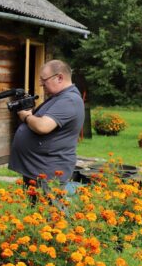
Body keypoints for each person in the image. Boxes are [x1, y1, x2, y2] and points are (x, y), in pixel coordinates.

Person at [8, 59, 85, 187]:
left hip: (48, 173)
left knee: (48, 206)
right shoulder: (59, 97)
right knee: (35, 206)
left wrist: (26, 116)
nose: (41, 85)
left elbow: (42, 126)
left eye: (44, 81)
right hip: (39, 169)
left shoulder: (69, 100)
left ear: (59, 77)